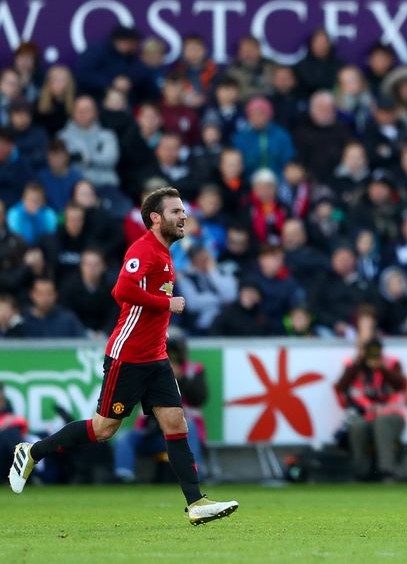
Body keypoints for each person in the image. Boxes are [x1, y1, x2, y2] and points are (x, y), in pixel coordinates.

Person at [9, 187, 237, 524]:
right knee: (103, 429)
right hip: (127, 356)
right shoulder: (144, 249)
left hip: (155, 357)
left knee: (176, 423)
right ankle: (32, 452)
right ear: (155, 218)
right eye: (176, 211)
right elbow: (122, 290)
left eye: (183, 211)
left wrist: (160, 326)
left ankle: (196, 503)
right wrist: (166, 304)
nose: (184, 216)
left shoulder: (165, 253)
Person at [114, 339, 207, 482]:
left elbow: (199, 398)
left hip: (184, 433)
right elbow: (135, 397)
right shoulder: (149, 368)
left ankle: (194, 476)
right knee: (125, 436)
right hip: (154, 433)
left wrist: (180, 378)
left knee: (190, 426)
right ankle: (123, 477)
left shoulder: (194, 369)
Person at [336, 339, 407, 481]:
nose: (373, 356)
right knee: (357, 425)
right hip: (366, 413)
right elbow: (341, 387)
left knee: (382, 422)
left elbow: (401, 384)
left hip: (391, 414)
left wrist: (382, 369)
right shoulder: (354, 365)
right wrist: (358, 364)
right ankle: (360, 472)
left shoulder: (392, 363)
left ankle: (387, 471)